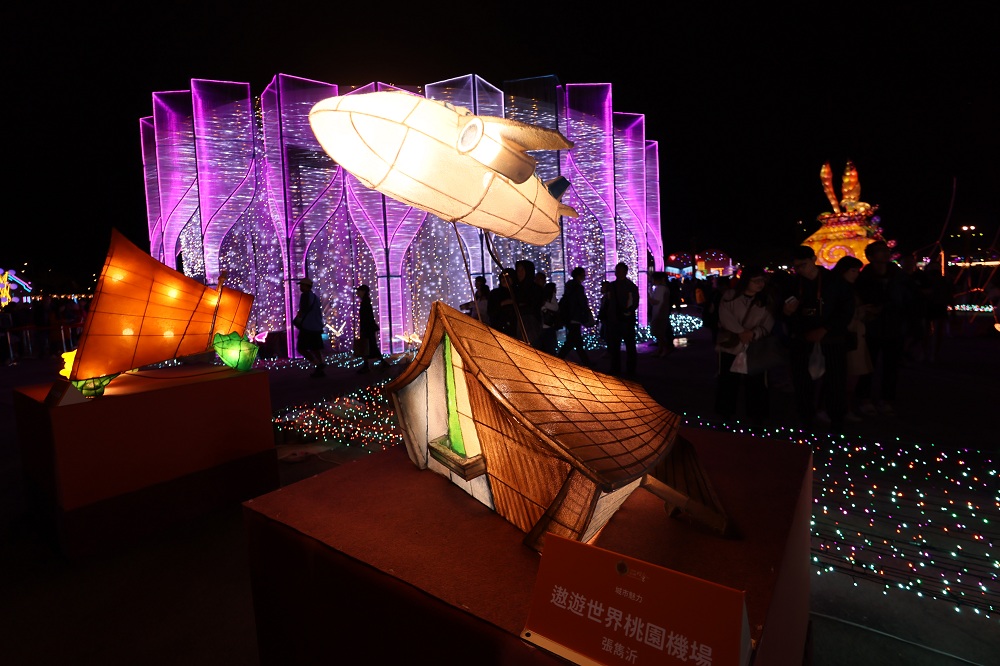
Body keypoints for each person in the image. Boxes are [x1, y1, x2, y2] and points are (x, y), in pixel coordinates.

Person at [780, 245, 854, 432]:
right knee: (802, 381)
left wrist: (825, 328)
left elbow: (846, 311)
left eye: (803, 265)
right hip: (802, 339)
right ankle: (806, 418)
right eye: (796, 266)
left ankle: (836, 419)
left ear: (813, 259)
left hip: (832, 339)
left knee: (835, 381)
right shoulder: (792, 283)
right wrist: (786, 312)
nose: (800, 270)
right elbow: (782, 311)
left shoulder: (835, 281)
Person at [714, 266, 774, 425]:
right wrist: (741, 332)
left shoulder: (766, 300)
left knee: (756, 381)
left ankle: (757, 415)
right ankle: (725, 413)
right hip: (732, 343)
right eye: (756, 281)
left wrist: (754, 334)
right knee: (728, 379)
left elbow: (768, 322)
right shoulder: (730, 296)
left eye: (762, 280)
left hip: (754, 344)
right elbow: (725, 316)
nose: (760, 284)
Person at [854, 241, 907, 416]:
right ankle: (865, 398)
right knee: (868, 365)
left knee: (891, 366)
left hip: (893, 326)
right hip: (872, 327)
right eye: (880, 251)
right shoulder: (863, 277)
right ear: (870, 256)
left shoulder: (898, 275)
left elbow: (905, 298)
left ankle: (887, 399)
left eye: (886, 250)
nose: (885, 254)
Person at [832, 255, 870, 422]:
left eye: (857, 271)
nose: (856, 274)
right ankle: (842, 409)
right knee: (847, 375)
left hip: (853, 335)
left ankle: (843, 408)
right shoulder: (841, 290)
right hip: (847, 337)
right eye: (853, 271)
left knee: (850, 376)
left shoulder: (848, 289)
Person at [605, 262, 640, 376]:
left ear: (625, 271)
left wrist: (628, 311)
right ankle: (619, 368)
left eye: (619, 270)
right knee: (618, 346)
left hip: (624, 320)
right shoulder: (613, 286)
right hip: (618, 319)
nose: (617, 272)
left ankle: (626, 369)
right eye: (616, 270)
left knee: (626, 345)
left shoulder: (629, 286)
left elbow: (634, 302)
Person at [556, 266, 594, 366]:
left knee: (575, 342)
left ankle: (586, 362)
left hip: (569, 317)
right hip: (575, 317)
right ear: (578, 276)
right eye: (583, 275)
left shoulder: (569, 286)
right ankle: (559, 359)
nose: (584, 277)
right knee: (572, 342)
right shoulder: (578, 288)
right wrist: (585, 313)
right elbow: (581, 303)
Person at [294, 277, 326, 378]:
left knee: (301, 348)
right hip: (316, 326)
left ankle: (318, 364)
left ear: (306, 286)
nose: (300, 287)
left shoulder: (305, 296)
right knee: (315, 348)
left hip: (307, 327)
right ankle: (319, 368)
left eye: (302, 285)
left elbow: (303, 310)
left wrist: (298, 319)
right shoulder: (315, 297)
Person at [355, 284, 386, 374]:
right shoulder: (366, 301)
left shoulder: (365, 302)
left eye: (359, 291)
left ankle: (367, 365)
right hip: (368, 328)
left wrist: (364, 328)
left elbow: (367, 317)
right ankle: (380, 362)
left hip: (367, 328)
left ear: (363, 291)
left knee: (367, 346)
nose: (357, 293)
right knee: (371, 346)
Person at [513, 259, 543, 345]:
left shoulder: (535, 289)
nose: (519, 273)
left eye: (522, 270)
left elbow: (533, 305)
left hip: (531, 325)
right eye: (518, 270)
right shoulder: (516, 288)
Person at [648, 271, 674, 356]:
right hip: (663, 313)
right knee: (661, 333)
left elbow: (655, 302)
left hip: (659, 314)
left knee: (658, 333)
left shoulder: (660, 288)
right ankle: (661, 350)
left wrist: (648, 296)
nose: (652, 281)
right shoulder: (665, 288)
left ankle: (664, 349)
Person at [487, 268, 517, 337]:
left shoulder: (517, 292)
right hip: (498, 328)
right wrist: (502, 304)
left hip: (514, 329)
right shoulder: (495, 293)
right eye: (502, 277)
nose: (504, 280)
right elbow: (491, 311)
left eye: (507, 277)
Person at [534, 282, 560, 355]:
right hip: (548, 325)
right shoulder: (551, 295)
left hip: (540, 325)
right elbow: (555, 307)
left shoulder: (538, 295)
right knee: (550, 348)